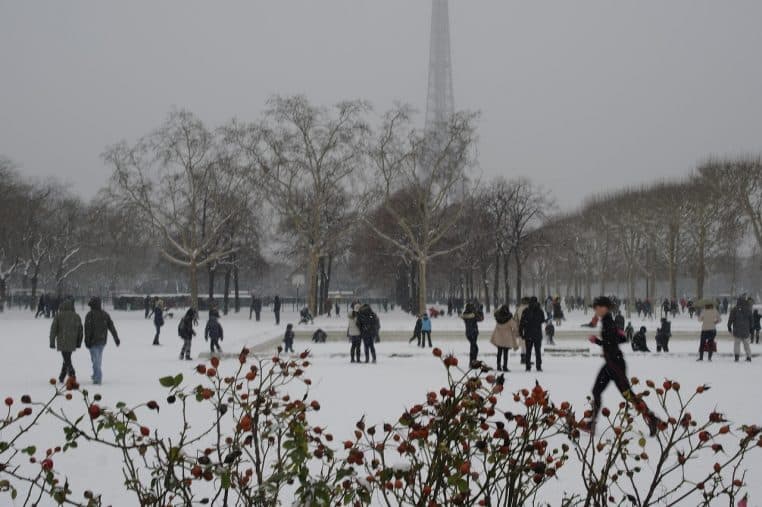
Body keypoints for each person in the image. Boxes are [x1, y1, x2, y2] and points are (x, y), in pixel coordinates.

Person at [583, 297, 660, 436]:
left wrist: (597, 341)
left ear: (604, 308)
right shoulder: (608, 321)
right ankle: (591, 424)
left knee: (629, 396)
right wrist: (607, 338)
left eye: (596, 308)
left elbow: (611, 343)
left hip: (615, 366)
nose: (595, 311)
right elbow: (621, 339)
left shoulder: (608, 323)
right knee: (596, 391)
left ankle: (652, 419)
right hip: (611, 364)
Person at [84, 297, 120, 385]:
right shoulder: (105, 314)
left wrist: (87, 340)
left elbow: (87, 329)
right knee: (97, 360)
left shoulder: (90, 315)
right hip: (102, 341)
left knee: (95, 360)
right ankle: (96, 374)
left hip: (93, 342)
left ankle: (98, 378)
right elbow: (111, 327)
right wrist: (116, 338)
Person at [49, 297, 83, 384]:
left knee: (66, 358)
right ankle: (62, 376)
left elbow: (53, 329)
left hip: (62, 340)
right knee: (67, 358)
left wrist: (52, 342)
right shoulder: (76, 316)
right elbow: (80, 330)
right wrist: (79, 342)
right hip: (72, 341)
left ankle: (72, 373)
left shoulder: (59, 316)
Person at [519, 297, 545, 372]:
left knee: (528, 351)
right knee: (538, 351)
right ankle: (538, 366)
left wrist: (521, 333)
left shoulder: (526, 311)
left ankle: (528, 366)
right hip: (537, 334)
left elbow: (522, 323)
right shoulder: (540, 311)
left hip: (528, 334)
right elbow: (542, 320)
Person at [491, 305, 519, 372]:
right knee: (505, 353)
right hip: (507, 338)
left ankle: (498, 366)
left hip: (499, 338)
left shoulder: (498, 318)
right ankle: (505, 367)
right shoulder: (509, 319)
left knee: (499, 352)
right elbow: (515, 327)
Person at [727, 297, 753, 362]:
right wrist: (751, 328)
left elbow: (731, 319)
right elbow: (751, 320)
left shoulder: (734, 309)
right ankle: (749, 356)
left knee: (737, 344)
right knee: (746, 344)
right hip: (746, 330)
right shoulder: (748, 310)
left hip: (737, 330)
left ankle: (736, 357)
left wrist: (729, 326)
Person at [461, 303, 484, 367]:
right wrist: (480, 311)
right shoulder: (472, 315)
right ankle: (472, 362)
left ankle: (472, 362)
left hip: (469, 333)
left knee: (473, 347)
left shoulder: (465, 314)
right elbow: (481, 318)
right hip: (473, 333)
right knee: (474, 348)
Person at [515, 297, 530, 364]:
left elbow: (515, 319)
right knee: (527, 344)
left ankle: (523, 358)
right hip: (527, 328)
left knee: (522, 344)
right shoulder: (528, 309)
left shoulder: (518, 309)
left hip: (520, 328)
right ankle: (526, 359)